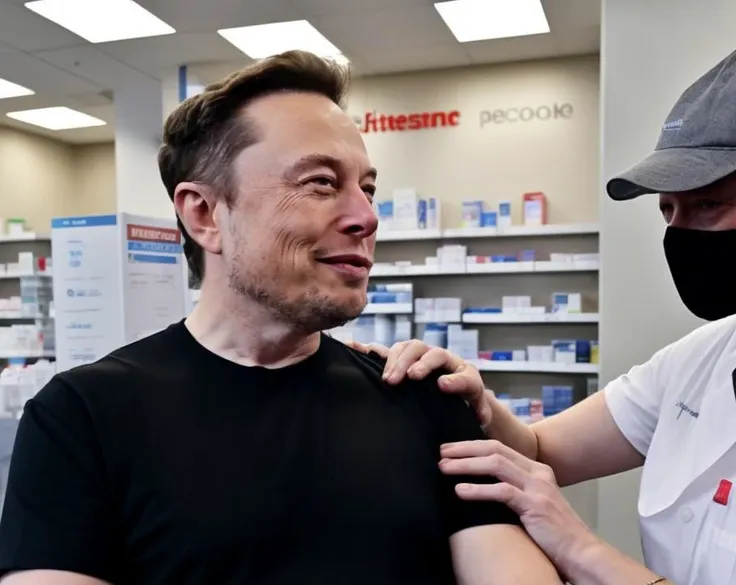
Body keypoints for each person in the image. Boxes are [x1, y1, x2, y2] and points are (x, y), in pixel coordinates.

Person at [0, 51, 561, 585]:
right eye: (320, 182)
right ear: (205, 214)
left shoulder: (424, 398)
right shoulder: (81, 418)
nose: (366, 217)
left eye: (367, 189)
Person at [350, 49, 736, 585]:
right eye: (668, 210)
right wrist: (478, 404)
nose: (679, 232)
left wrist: (577, 544)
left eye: (707, 205)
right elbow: (541, 449)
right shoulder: (700, 362)